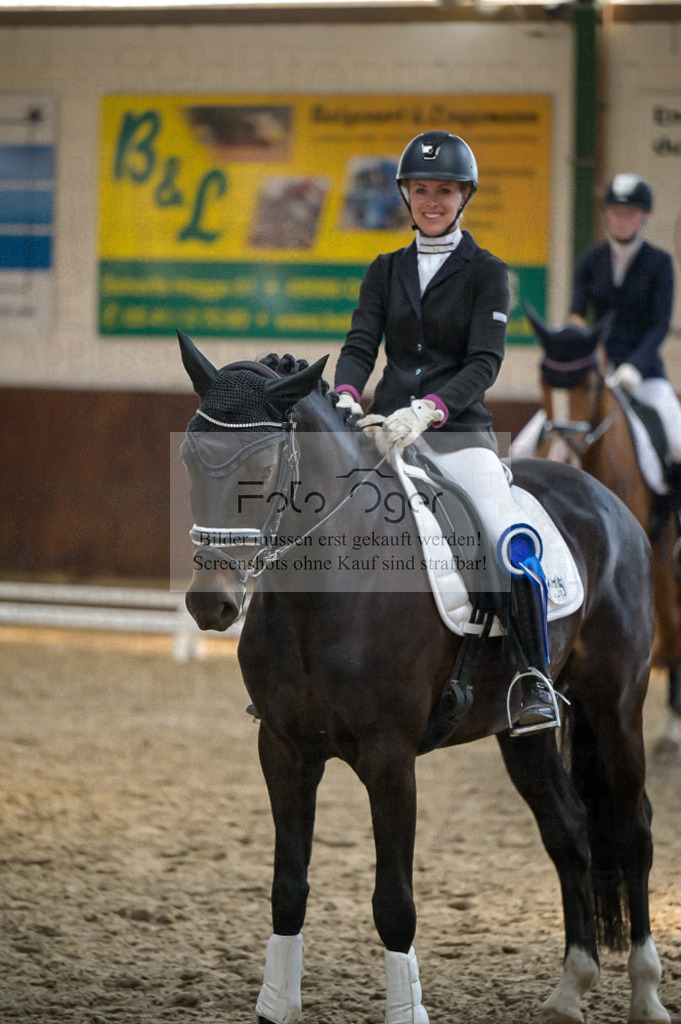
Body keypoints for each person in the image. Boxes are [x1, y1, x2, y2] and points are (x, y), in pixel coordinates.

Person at [334, 130, 561, 735]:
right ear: (406, 195)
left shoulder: (489, 273)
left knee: (505, 535)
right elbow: (360, 345)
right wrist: (347, 395)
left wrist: (429, 410)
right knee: (317, 520)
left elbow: (483, 365)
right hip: (383, 431)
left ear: (464, 197)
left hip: (457, 434)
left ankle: (530, 676)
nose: (432, 200)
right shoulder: (384, 270)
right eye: (422, 190)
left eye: (445, 191)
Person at [569, 174, 681, 474]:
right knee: (528, 443)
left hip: (644, 374)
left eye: (630, 213)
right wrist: (590, 357)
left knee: (678, 441)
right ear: (607, 214)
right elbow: (576, 315)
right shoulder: (591, 260)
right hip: (596, 372)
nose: (622, 220)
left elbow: (660, 325)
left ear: (643, 216)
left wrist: (635, 365)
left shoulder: (659, 263)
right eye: (616, 212)